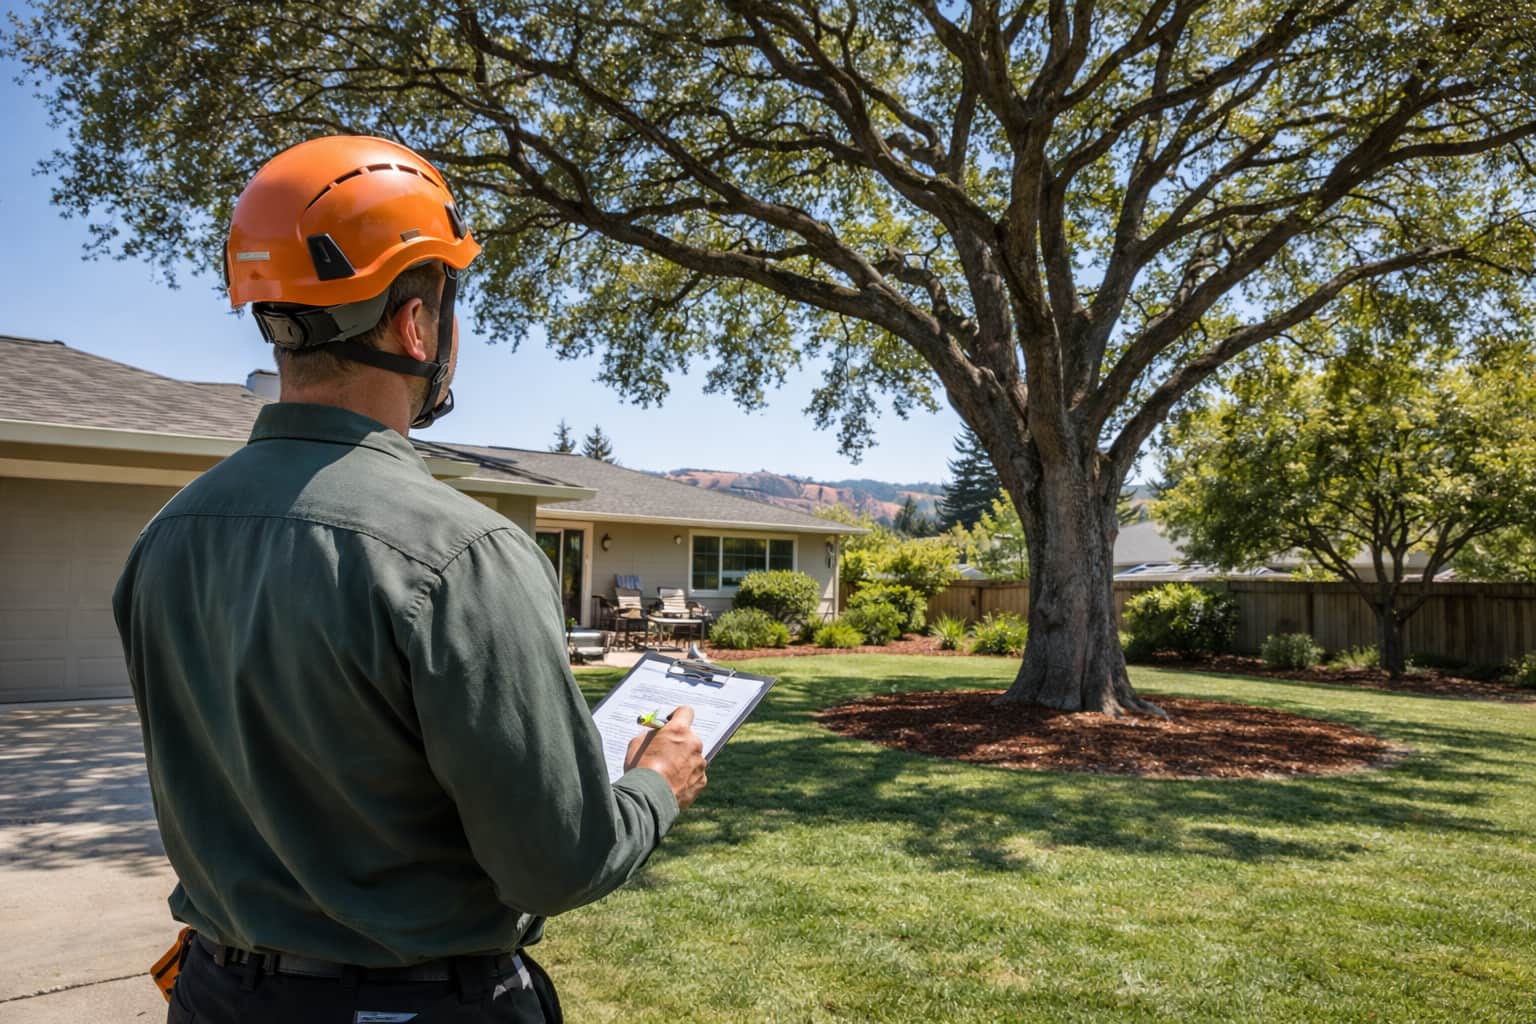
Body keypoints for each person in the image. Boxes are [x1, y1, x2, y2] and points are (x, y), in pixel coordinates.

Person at [113, 135, 707, 1024]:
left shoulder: (167, 536)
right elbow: (558, 863)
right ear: (415, 324)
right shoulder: (462, 552)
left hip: (214, 996)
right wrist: (656, 783)